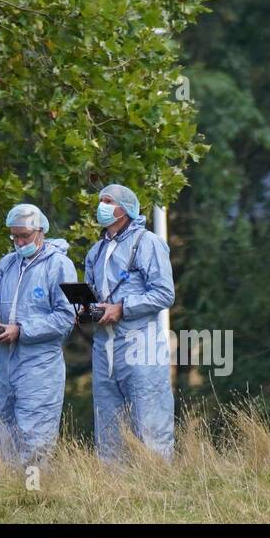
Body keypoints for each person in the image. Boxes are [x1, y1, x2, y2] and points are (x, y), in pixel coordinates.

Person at [0, 203, 77, 466]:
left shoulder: (60, 266)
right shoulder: (8, 263)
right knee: (6, 432)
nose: (18, 242)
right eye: (14, 236)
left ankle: (34, 494)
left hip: (39, 366)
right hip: (7, 363)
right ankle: (13, 497)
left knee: (34, 435)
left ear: (41, 232)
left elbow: (66, 317)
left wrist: (23, 331)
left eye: (24, 236)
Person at [84, 183, 175, 462]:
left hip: (140, 343)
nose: (102, 206)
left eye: (108, 201)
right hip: (105, 346)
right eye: (101, 201)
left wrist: (122, 308)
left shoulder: (148, 243)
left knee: (149, 420)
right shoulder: (96, 251)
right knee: (109, 425)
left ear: (125, 209)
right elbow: (91, 291)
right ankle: (115, 493)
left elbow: (164, 293)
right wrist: (86, 309)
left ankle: (156, 486)